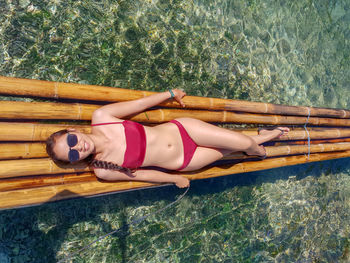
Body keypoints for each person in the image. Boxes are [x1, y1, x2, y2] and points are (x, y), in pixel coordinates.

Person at [46, 89, 289, 188]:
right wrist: (174, 180)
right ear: (76, 160)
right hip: (186, 160)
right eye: (73, 154)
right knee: (230, 149)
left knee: (245, 145)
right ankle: (265, 138)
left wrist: (169, 93)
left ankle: (260, 149)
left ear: (71, 131)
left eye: (70, 142)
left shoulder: (101, 117)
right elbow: (141, 175)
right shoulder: (102, 170)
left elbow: (139, 105)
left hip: (183, 130)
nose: (78, 147)